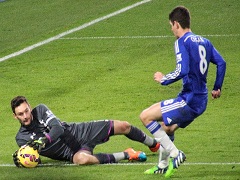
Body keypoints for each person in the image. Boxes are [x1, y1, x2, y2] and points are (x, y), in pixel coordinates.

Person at [140, 6, 226, 177]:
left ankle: (175, 153)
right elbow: (221, 63)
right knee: (167, 129)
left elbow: (182, 70)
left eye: (171, 25)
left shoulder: (182, 42)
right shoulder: (204, 41)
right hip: (200, 100)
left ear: (177, 24)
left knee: (145, 116)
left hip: (190, 99)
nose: (171, 29)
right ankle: (163, 165)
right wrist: (217, 87)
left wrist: (163, 79)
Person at [11, 96, 160, 167]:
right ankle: (128, 154)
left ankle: (154, 144)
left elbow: (58, 128)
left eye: (26, 111)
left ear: (30, 107)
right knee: (82, 160)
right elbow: (34, 160)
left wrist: (45, 140)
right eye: (20, 114)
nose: (25, 116)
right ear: (15, 116)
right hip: (71, 153)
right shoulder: (21, 138)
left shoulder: (40, 110)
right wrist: (23, 160)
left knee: (124, 126)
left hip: (79, 132)